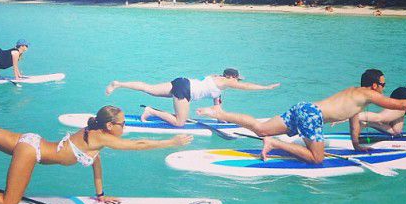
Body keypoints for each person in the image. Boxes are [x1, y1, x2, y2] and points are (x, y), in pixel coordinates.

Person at [0, 95, 192, 204]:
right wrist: (170, 143)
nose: (125, 127)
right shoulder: (103, 137)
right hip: (32, 152)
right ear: (110, 125)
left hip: (32, 140)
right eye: (123, 124)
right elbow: (139, 145)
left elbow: (96, 164)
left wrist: (101, 195)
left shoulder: (97, 139)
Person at [196, 69, 406, 164]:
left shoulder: (357, 96)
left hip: (303, 107)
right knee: (317, 159)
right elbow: (398, 103)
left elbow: (354, 119)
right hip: (312, 116)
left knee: (260, 128)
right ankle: (275, 143)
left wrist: (357, 145)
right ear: (373, 84)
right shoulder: (369, 93)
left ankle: (221, 113)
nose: (384, 87)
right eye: (382, 83)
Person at [105, 68, 281, 127]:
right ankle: (151, 111)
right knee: (180, 122)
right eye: (236, 79)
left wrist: (222, 121)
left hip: (182, 81)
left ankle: (119, 84)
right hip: (185, 91)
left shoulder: (217, 85)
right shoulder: (225, 82)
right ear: (231, 77)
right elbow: (246, 87)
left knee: (148, 88)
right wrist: (265, 87)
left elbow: (217, 109)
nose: (237, 82)